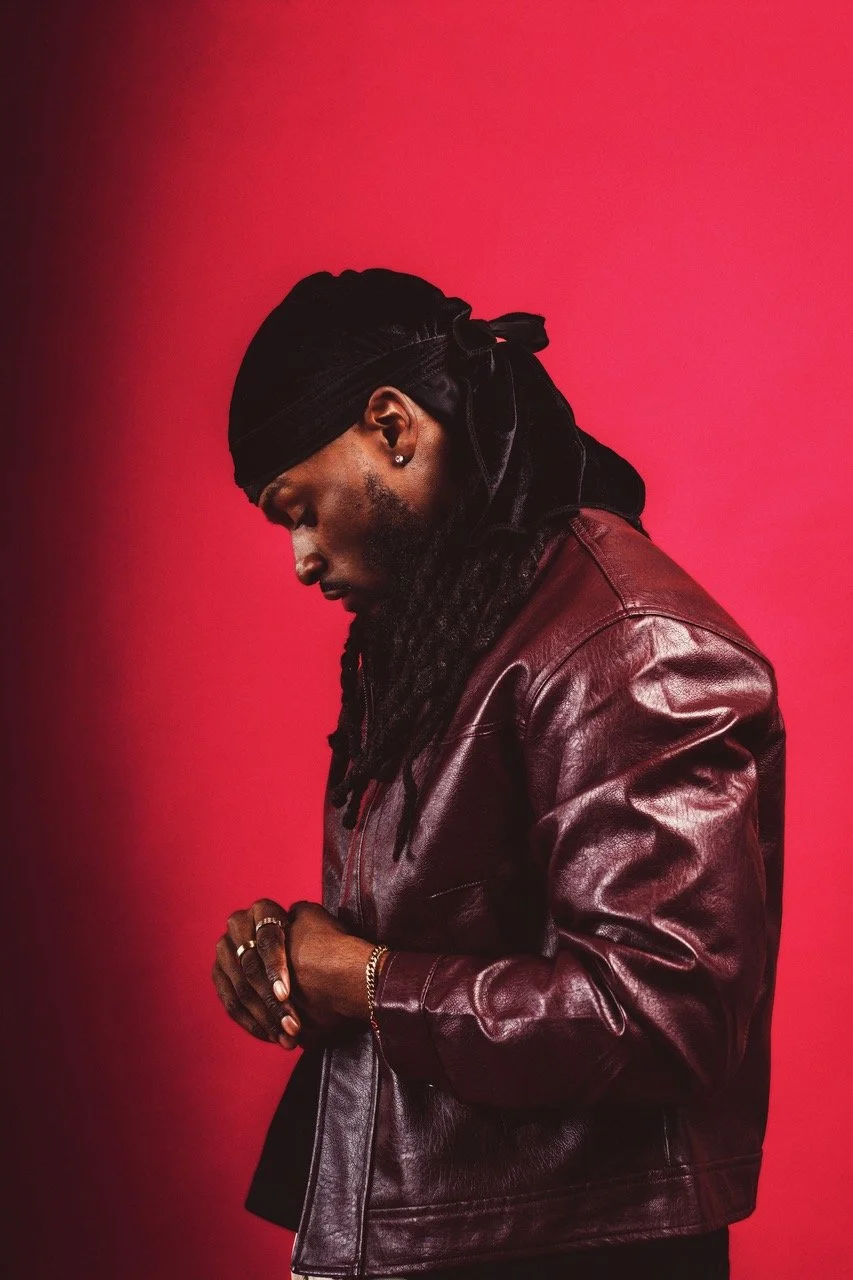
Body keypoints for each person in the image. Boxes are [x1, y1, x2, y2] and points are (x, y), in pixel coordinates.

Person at [211, 268, 785, 1280]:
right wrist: (296, 956)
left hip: (577, 1252)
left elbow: (663, 1014)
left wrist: (364, 981)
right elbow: (451, 924)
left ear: (393, 427)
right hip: (452, 1235)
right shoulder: (451, 618)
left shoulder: (625, 644)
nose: (301, 557)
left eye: (299, 509)